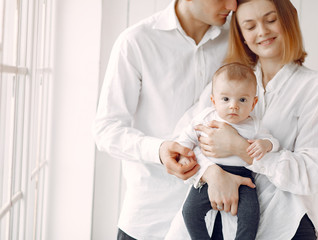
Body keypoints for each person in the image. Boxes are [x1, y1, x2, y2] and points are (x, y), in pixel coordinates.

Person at [165, 0, 318, 239]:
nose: (262, 32)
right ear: (242, 36)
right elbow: (181, 143)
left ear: (288, 21)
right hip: (216, 223)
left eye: (271, 20)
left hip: (282, 226)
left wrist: (239, 147)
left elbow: (313, 173)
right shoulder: (227, 81)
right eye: (249, 26)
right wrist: (211, 172)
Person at [92, 0, 256, 239]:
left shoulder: (240, 38)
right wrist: (158, 150)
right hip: (149, 219)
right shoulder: (137, 42)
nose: (232, 5)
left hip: (217, 223)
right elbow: (106, 129)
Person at [177, 62, 279, 240]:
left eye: (242, 100)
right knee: (189, 211)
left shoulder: (255, 124)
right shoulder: (206, 118)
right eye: (226, 99)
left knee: (251, 215)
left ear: (254, 103)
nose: (234, 106)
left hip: (243, 177)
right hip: (209, 176)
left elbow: (273, 142)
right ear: (213, 100)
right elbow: (186, 137)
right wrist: (184, 153)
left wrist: (265, 144)